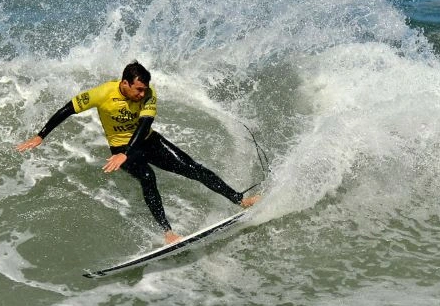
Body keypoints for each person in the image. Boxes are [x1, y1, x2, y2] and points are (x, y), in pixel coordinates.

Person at [16, 61, 260, 244]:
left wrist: (129, 151)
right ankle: (168, 232)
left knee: (193, 168)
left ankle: (240, 200)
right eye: (138, 89)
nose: (142, 94)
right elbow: (67, 108)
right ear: (125, 83)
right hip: (121, 148)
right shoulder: (102, 94)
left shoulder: (148, 94)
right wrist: (41, 135)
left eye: (145, 90)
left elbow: (144, 124)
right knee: (147, 177)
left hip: (149, 141)